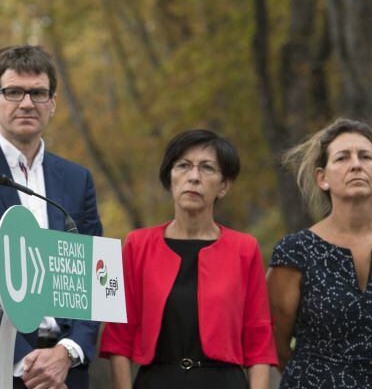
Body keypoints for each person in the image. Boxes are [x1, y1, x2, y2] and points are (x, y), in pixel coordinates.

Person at [0, 45, 103, 389]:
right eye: (14, 92)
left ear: (52, 103)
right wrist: (28, 362)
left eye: (39, 93)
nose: (27, 103)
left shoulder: (77, 179)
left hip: (64, 371)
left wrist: (66, 352)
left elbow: (95, 279)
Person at [100, 130, 276, 389]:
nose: (194, 177)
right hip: (156, 381)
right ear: (169, 179)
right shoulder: (137, 245)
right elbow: (119, 337)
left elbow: (258, 339)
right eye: (183, 166)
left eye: (207, 168)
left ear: (224, 186)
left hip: (224, 382)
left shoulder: (244, 248)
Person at [267, 118, 372, 388]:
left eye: (365, 156)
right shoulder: (295, 251)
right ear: (322, 178)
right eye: (342, 157)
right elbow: (276, 343)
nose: (356, 164)